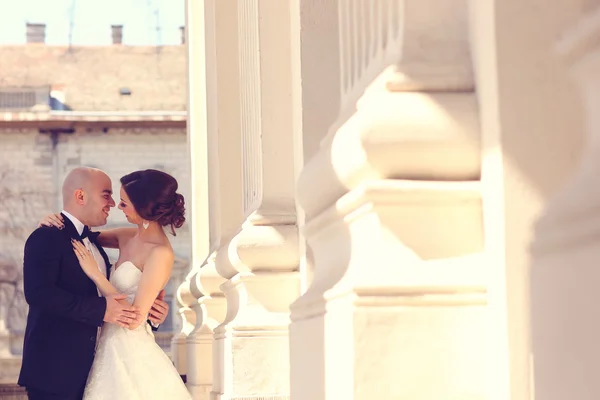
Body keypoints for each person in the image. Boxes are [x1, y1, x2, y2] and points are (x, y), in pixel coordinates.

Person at [19, 167, 174, 400]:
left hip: (101, 365)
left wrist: (152, 317)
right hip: (55, 371)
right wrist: (48, 219)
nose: (113, 204)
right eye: (107, 195)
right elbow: (39, 293)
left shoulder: (155, 251)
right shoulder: (49, 237)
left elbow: (133, 309)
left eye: (121, 201)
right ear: (81, 196)